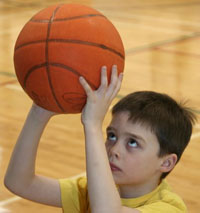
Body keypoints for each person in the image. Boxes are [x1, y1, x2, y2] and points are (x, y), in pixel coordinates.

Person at [4, 65, 196, 213]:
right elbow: (19, 182)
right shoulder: (89, 190)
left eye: (132, 142)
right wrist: (39, 112)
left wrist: (93, 125)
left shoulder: (169, 207)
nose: (114, 150)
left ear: (166, 162)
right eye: (111, 136)